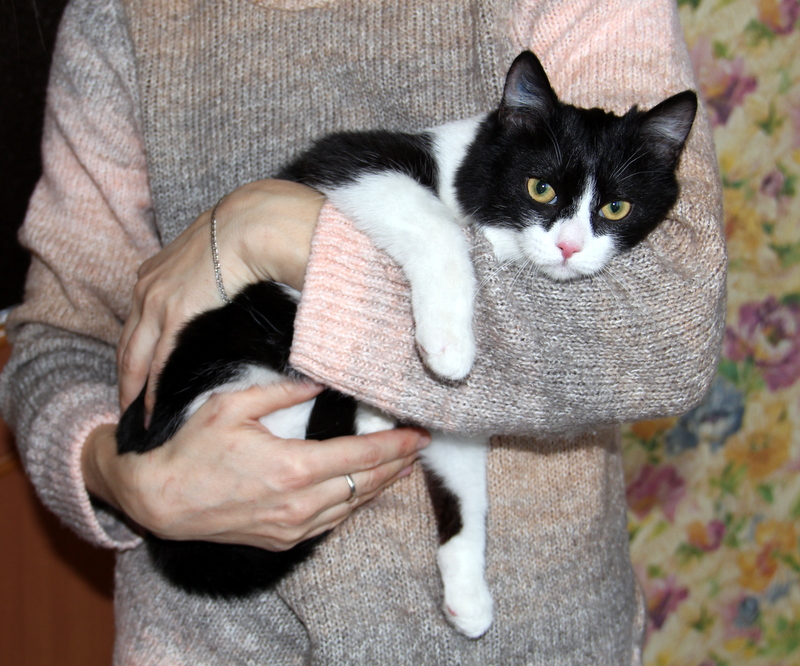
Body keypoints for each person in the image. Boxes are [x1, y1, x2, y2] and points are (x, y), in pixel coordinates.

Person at [0, 0, 726, 662]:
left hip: (530, 642)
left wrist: (269, 232)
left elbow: (671, 328)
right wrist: (120, 478)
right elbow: (60, 332)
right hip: (200, 639)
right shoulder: (119, 17)